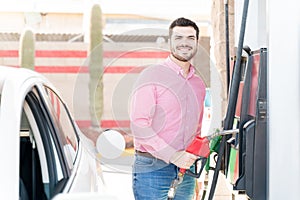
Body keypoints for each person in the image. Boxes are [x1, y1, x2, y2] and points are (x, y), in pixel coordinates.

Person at [130, 17, 206, 200]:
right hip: (152, 168)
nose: (184, 43)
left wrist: (192, 166)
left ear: (197, 42)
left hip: (186, 169)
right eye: (178, 38)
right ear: (170, 42)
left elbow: (196, 127)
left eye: (190, 38)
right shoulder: (152, 75)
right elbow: (139, 124)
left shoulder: (198, 83)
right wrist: (172, 155)